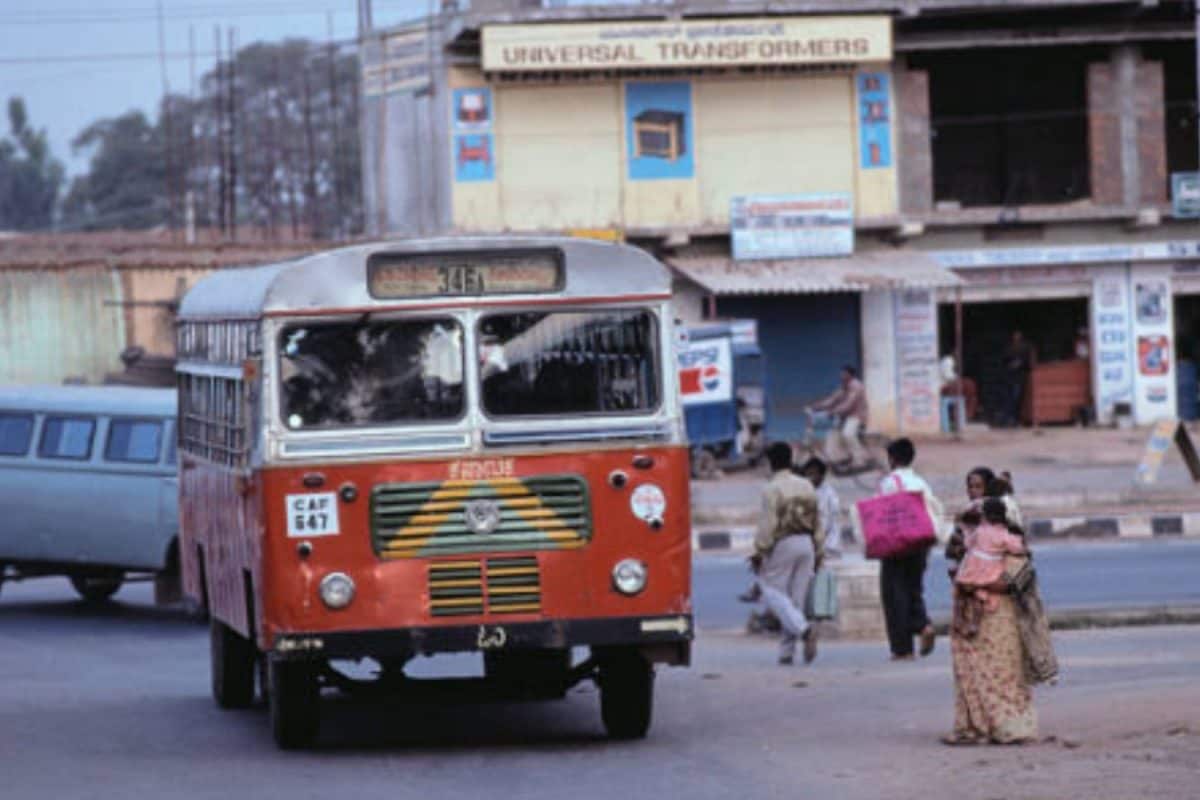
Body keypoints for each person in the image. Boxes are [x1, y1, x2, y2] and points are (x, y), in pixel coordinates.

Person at [749, 442, 824, 665]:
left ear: (770, 463)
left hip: (784, 543)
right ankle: (786, 653)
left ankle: (804, 630)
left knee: (770, 589)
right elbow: (817, 521)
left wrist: (759, 551)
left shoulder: (771, 488)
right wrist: (818, 550)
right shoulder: (807, 486)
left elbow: (768, 524)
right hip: (807, 544)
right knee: (795, 600)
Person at [877, 438, 942, 661]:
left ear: (892, 459)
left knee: (894, 594)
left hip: (898, 544)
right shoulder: (921, 482)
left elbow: (884, 514)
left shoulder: (889, 482)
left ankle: (902, 649)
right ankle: (923, 625)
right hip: (921, 543)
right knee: (914, 588)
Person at [954, 498, 1027, 608]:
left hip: (973, 567)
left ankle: (966, 617)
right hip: (992, 569)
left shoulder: (979, 530)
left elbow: (968, 543)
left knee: (962, 589)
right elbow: (1017, 548)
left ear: (984, 515)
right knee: (983, 591)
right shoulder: (1004, 534)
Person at [809, 365, 869, 468]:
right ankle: (840, 457)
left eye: (844, 373)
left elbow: (849, 404)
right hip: (845, 416)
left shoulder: (856, 386)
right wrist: (816, 406)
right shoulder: (844, 386)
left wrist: (832, 412)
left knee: (848, 434)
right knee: (833, 434)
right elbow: (832, 400)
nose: (841, 375)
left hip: (857, 416)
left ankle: (860, 460)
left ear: (850, 375)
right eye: (841, 373)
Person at [800, 457, 843, 557]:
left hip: (828, 545)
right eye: (808, 474)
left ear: (822, 475)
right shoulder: (804, 491)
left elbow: (830, 522)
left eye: (813, 474)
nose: (810, 478)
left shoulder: (830, 495)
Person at [1002, 331, 1033, 427]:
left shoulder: (1025, 347)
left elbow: (1028, 361)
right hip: (1011, 376)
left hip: (1020, 376)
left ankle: (1016, 418)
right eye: (1015, 335)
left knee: (1018, 397)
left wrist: (1020, 364)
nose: (1016, 337)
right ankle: (1012, 419)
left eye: (1018, 335)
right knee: (1011, 398)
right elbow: (1005, 360)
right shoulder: (1009, 348)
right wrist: (1011, 365)